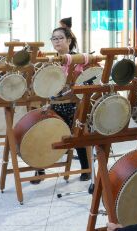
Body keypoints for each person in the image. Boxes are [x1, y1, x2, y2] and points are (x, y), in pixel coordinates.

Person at [31, 27, 90, 184]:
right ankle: (40, 168)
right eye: (54, 38)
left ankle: (86, 168)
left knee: (77, 134)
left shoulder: (78, 59)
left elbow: (87, 72)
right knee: (44, 132)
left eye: (60, 38)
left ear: (68, 41)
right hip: (55, 104)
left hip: (73, 104)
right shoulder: (52, 61)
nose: (56, 41)